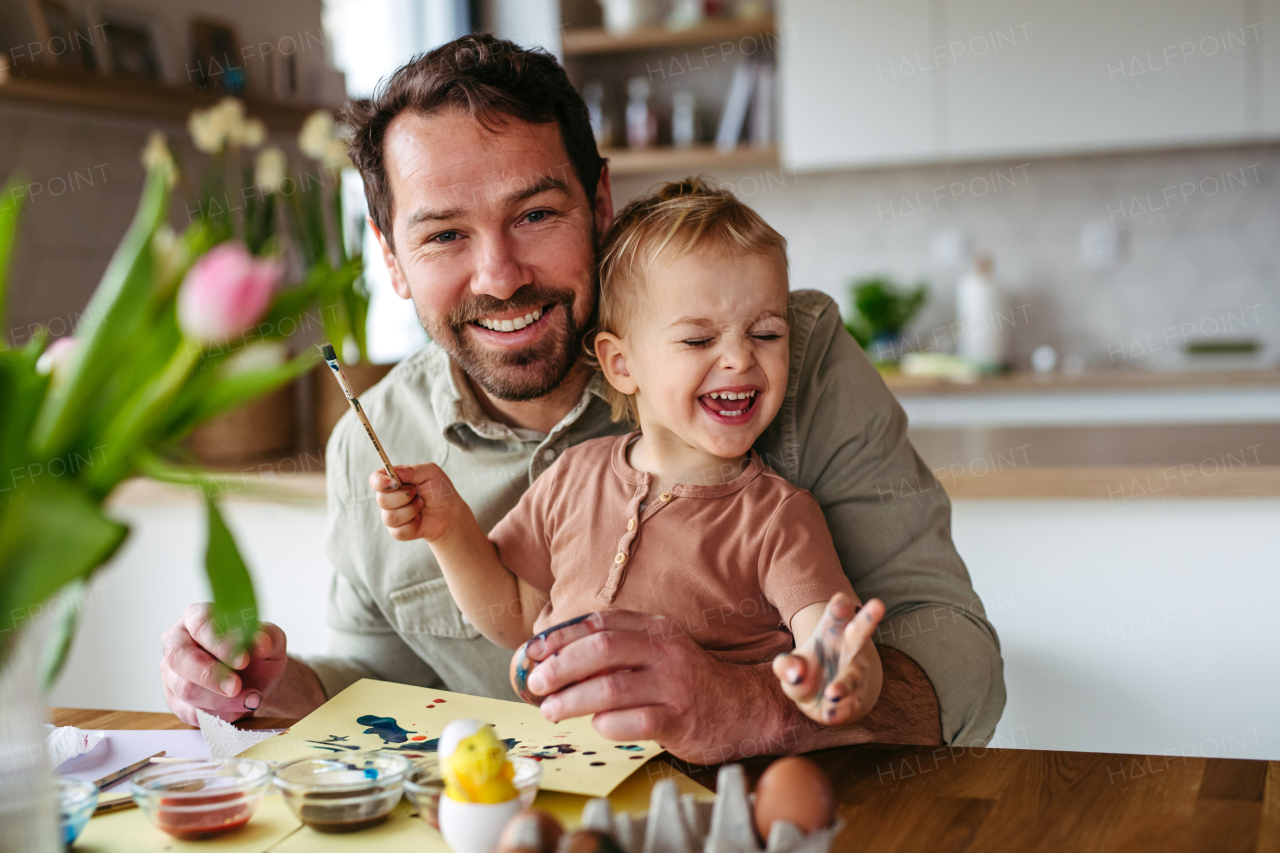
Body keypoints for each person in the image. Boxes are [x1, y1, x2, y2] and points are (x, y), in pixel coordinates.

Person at [159, 34, 1005, 763]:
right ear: (389, 257)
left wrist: (748, 708)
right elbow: (387, 686)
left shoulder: (782, 359)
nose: (500, 276)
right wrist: (275, 692)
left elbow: (960, 662)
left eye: (535, 214)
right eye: (445, 233)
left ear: (599, 203)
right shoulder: (372, 438)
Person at [373, 179, 885, 726]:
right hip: (576, 779)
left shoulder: (779, 518)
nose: (739, 358)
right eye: (697, 340)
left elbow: (834, 638)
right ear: (621, 364)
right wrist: (450, 531)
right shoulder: (572, 478)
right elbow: (515, 616)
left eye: (766, 334)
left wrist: (834, 678)